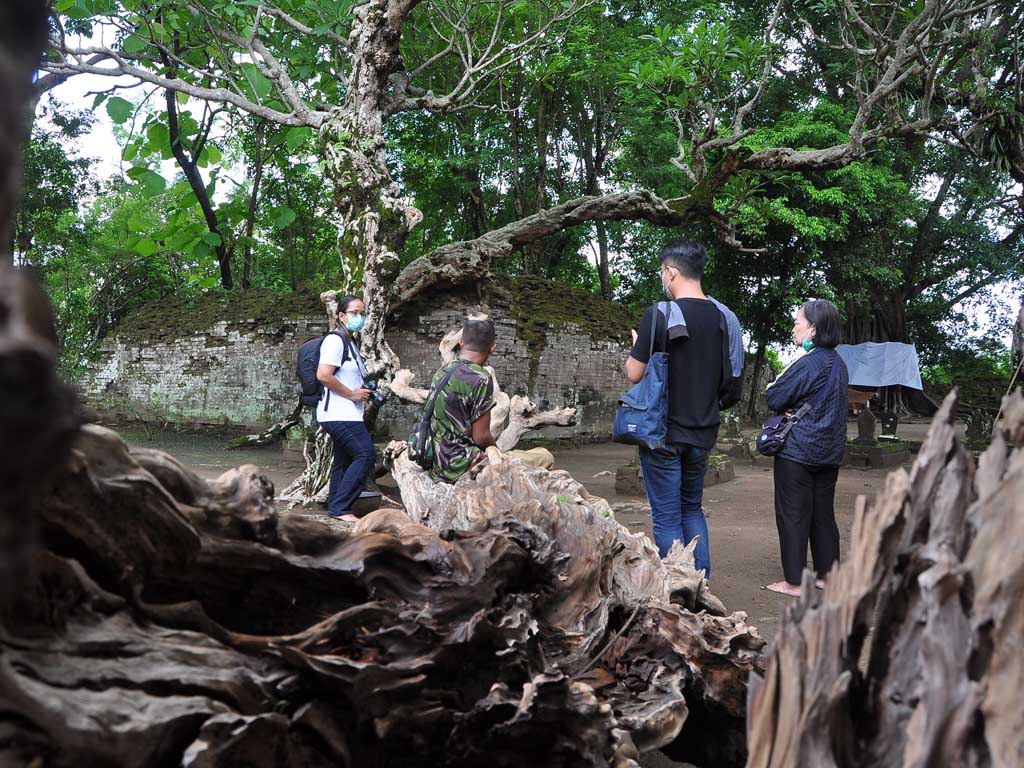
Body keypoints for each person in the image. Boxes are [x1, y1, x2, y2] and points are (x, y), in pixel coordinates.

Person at [626, 239, 742, 577]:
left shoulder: (658, 315)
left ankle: (680, 591)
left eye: (663, 272)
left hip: (663, 434)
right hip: (703, 432)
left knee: (666, 518)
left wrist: (638, 347)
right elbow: (729, 377)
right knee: (692, 508)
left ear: (671, 272)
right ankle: (700, 584)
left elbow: (634, 374)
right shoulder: (723, 320)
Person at [763, 299, 849, 597]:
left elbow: (774, 396)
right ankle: (828, 575)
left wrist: (787, 403)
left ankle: (794, 582)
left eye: (798, 321)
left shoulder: (808, 362)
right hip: (829, 452)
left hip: (798, 451)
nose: (794, 326)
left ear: (813, 328)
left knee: (793, 514)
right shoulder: (839, 362)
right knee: (823, 514)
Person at [315, 295, 376, 521]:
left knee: (344, 460)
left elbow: (347, 377)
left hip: (349, 413)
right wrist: (351, 395)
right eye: (354, 313)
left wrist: (361, 396)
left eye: (362, 313)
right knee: (365, 455)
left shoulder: (350, 342)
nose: (359, 317)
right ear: (341, 316)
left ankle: (336, 505)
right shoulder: (335, 341)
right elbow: (323, 375)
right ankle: (341, 507)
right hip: (337, 413)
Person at [417, 317, 499, 483]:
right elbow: (481, 437)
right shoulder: (481, 378)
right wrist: (498, 452)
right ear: (492, 348)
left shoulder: (443, 371)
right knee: (542, 457)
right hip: (460, 464)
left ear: (461, 343)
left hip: (436, 461)